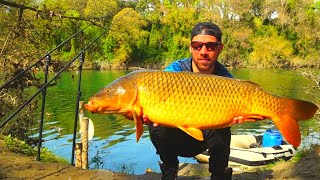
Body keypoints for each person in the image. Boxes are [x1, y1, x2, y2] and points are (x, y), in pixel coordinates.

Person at [145, 22, 236, 180]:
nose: (203, 52)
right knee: (155, 121)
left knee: (221, 124)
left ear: (220, 48)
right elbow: (156, 88)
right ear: (190, 47)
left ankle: (219, 173)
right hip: (178, 137)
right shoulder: (175, 70)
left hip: (206, 140)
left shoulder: (226, 79)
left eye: (210, 46)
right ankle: (169, 168)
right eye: (197, 46)